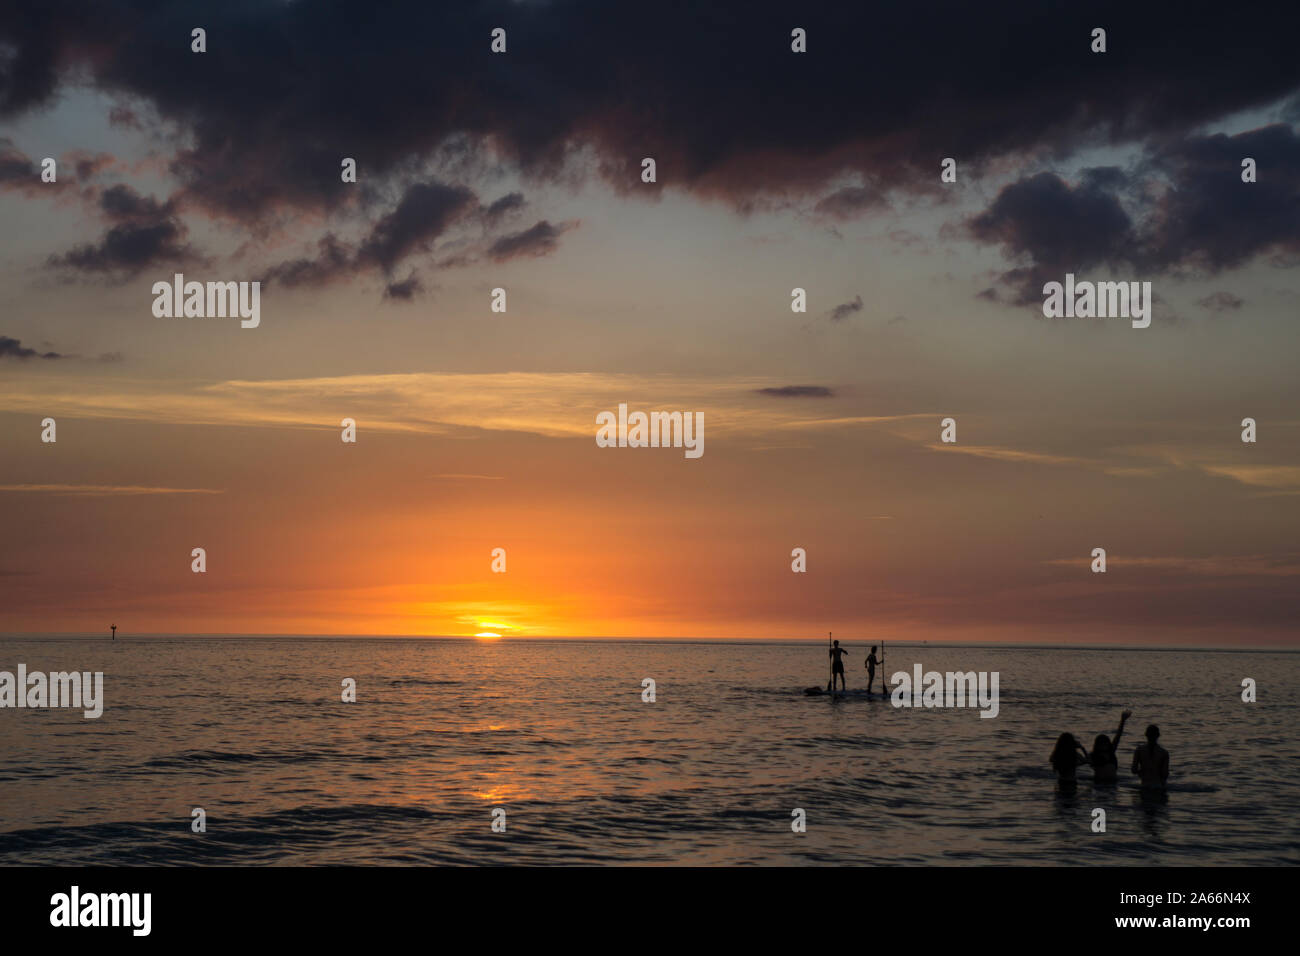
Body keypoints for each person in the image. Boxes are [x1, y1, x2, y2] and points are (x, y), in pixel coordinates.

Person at [1089, 710, 1131, 784]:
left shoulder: (1111, 752)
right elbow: (1084, 761)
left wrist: (1122, 720)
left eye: (1105, 743)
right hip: (1099, 784)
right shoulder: (1093, 755)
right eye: (1101, 743)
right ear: (1097, 745)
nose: (1103, 745)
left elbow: (1118, 735)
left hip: (1112, 785)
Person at [1132, 724, 1170, 791]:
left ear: (1146, 735)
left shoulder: (1139, 750)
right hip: (1158, 787)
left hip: (1144, 785)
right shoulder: (1164, 753)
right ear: (1158, 736)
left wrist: (1141, 772)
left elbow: (1134, 770)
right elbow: (1165, 774)